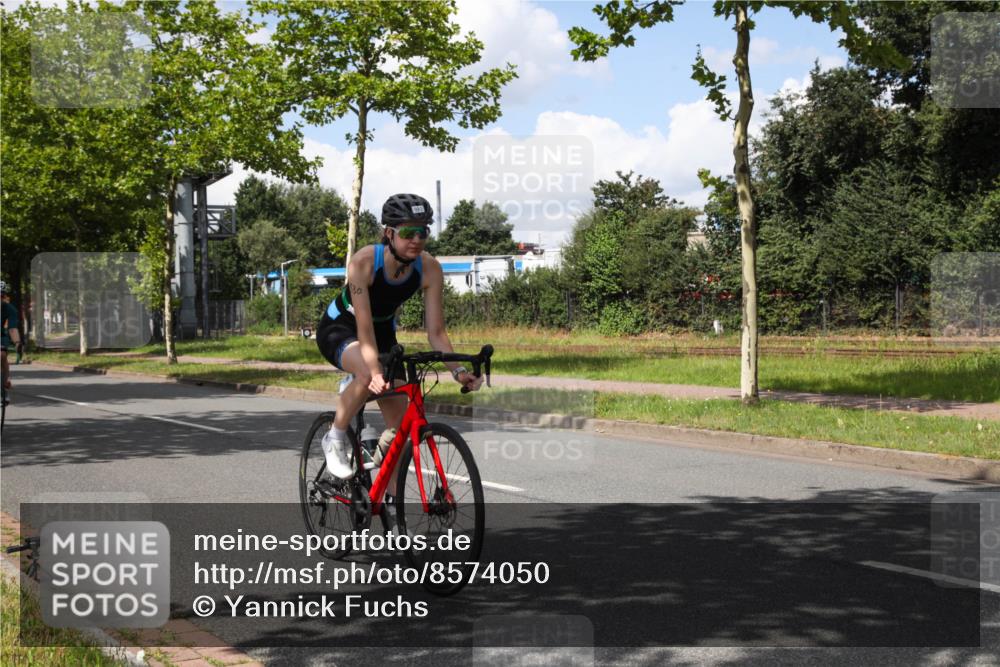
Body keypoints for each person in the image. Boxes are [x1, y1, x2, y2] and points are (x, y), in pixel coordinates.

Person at [316, 193, 483, 479]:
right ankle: (335, 436)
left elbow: (437, 332)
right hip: (341, 326)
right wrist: (371, 370)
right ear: (389, 233)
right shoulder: (364, 262)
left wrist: (459, 371)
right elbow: (364, 329)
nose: (416, 239)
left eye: (423, 231)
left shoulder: (429, 268)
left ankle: (391, 507)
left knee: (401, 430)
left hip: (383, 333)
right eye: (408, 232)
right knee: (370, 374)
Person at [1, 281, 22, 390]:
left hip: (1, 336)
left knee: (2, 354)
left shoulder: (10, 309)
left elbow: (12, 328)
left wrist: (17, 342)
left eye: (1, 295)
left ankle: (6, 380)